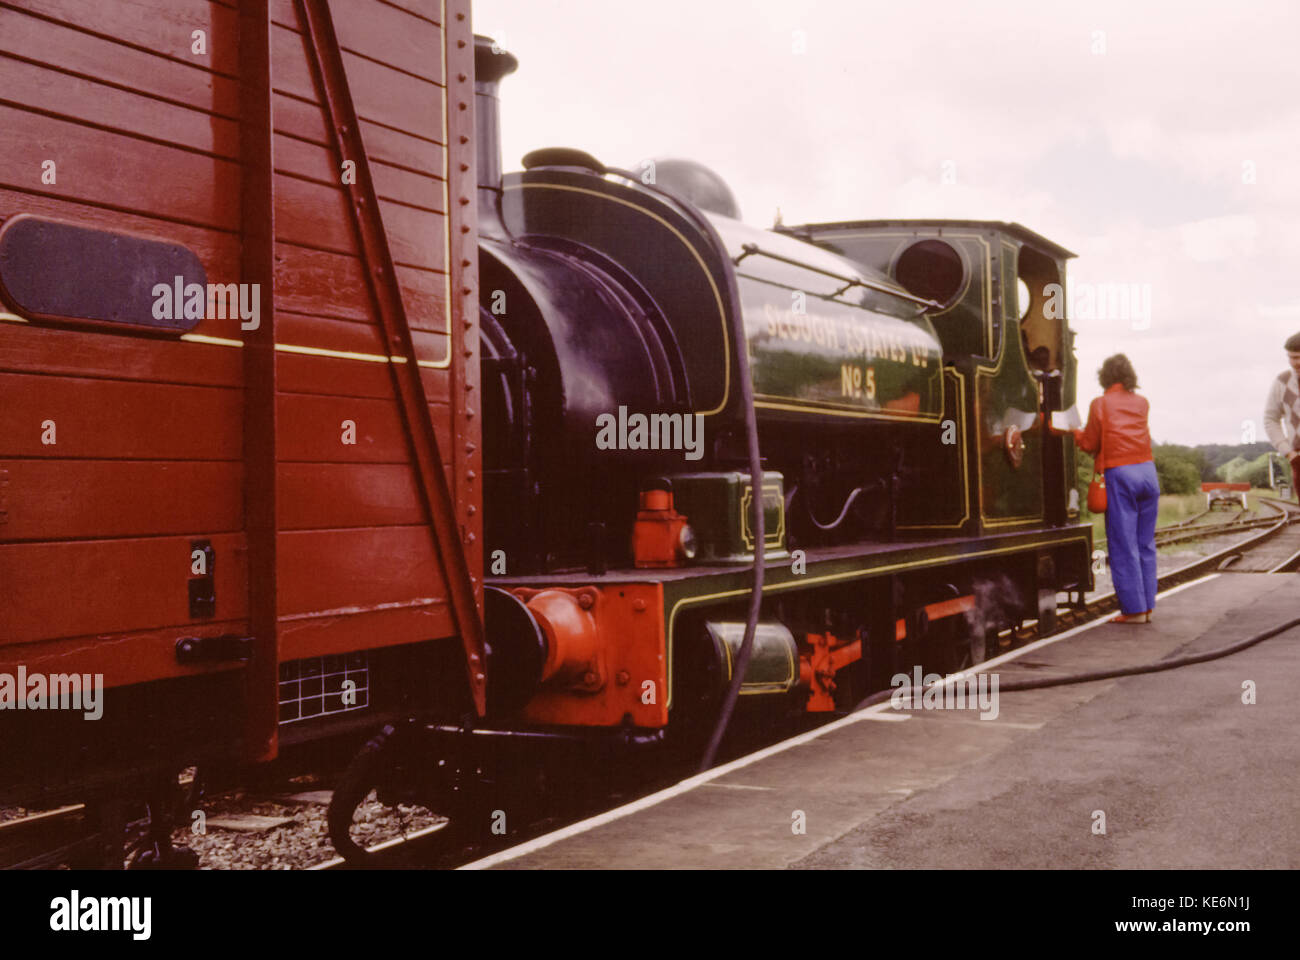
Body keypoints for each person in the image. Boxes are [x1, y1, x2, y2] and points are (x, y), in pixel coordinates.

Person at [1073, 354, 1158, 624]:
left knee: (1123, 546)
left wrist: (1073, 432)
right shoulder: (1142, 402)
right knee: (1145, 544)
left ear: (1104, 377)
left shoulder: (1100, 404)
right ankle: (1147, 608)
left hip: (1121, 475)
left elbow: (1089, 443)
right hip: (1148, 472)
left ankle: (1133, 611)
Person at [1262, 331, 1300, 502]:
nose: (1295, 363)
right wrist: (1288, 452)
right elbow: (1270, 419)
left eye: (1299, 357)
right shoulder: (1282, 382)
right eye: (1291, 357)